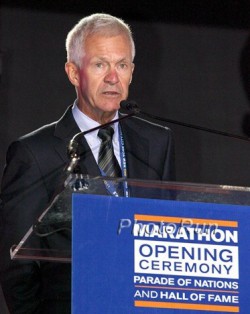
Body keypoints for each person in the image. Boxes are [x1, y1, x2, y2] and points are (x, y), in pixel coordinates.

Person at [0, 13, 175, 314]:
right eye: (100, 64)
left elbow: (167, 237)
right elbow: (17, 267)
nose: (112, 77)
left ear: (132, 72)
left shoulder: (156, 141)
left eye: (121, 65)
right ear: (73, 72)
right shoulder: (34, 154)